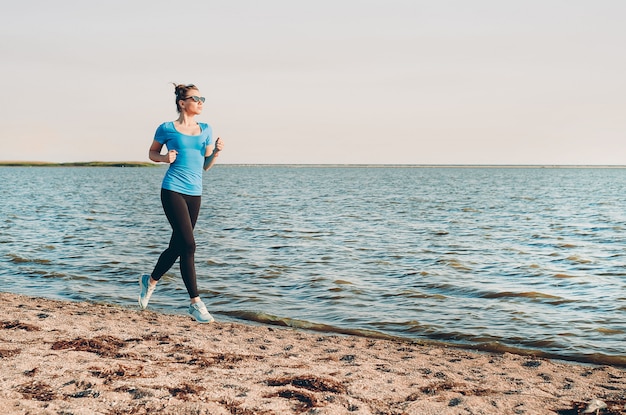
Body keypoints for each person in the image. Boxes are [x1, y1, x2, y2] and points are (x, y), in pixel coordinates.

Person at [139, 83, 224, 323]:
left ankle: (151, 280)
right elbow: (152, 153)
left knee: (178, 246)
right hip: (172, 190)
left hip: (195, 193)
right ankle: (195, 303)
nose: (200, 102)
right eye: (195, 98)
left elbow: (205, 166)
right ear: (182, 103)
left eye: (202, 98)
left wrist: (216, 152)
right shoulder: (167, 128)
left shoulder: (206, 129)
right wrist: (165, 157)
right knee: (189, 245)